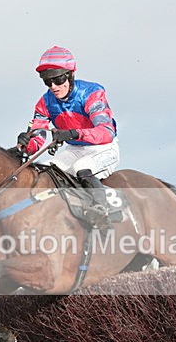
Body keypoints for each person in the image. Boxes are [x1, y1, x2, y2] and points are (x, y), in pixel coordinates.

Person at [17, 46, 119, 229]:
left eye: (58, 79)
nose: (53, 87)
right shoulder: (44, 102)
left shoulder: (92, 93)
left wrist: (74, 133)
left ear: (70, 75)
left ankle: (102, 216)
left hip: (103, 148)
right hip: (74, 149)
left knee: (82, 167)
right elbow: (37, 138)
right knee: (45, 170)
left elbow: (106, 131)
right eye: (48, 82)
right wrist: (26, 143)